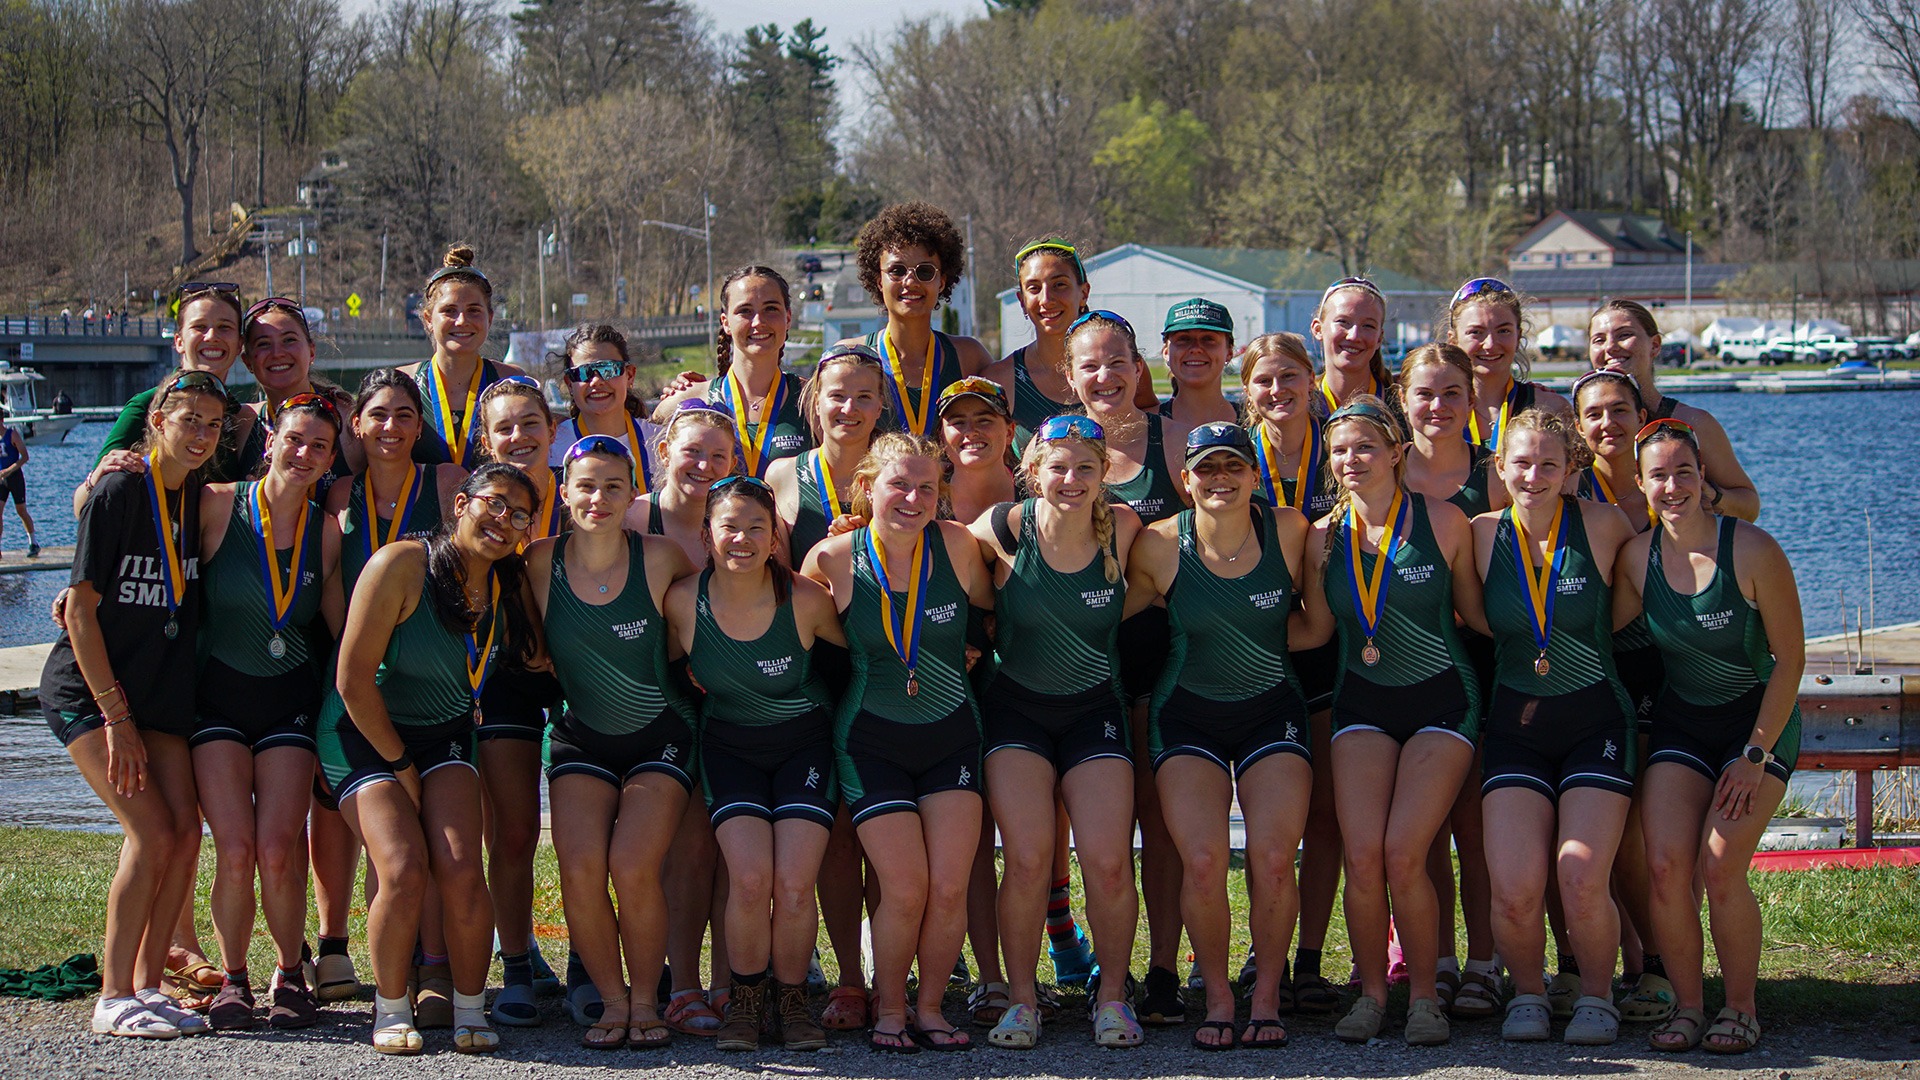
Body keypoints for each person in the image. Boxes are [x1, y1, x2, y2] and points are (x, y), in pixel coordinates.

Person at [318, 463, 540, 1054]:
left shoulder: (506, 584)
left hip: (442, 734)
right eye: (494, 504)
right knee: (402, 865)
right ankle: (391, 1007)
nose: (504, 521)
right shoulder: (401, 564)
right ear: (461, 502)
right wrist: (399, 766)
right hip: (364, 729)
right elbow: (351, 680)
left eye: (519, 515)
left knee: (464, 868)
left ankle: (470, 1005)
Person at [39, 370, 229, 1039]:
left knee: (184, 834)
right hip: (92, 692)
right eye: (189, 421)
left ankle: (150, 986)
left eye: (213, 424)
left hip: (160, 696)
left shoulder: (194, 499)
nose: (201, 435)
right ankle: (113, 995)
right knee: (150, 833)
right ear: (157, 422)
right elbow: (83, 614)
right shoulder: (120, 489)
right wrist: (116, 719)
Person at [1295, 399, 1486, 1045]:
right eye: (1340, 451)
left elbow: (1478, 618)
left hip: (1442, 701)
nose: (1351, 461)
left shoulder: (1445, 522)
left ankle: (1427, 995)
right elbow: (1316, 630)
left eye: (1366, 448)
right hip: (1363, 704)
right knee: (1365, 854)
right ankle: (1373, 993)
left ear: (1398, 452)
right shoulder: (1321, 537)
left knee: (1406, 853)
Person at [801, 433, 996, 1053]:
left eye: (927, 488)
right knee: (906, 886)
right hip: (871, 739)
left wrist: (976, 648)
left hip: (951, 735)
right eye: (898, 485)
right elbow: (799, 637)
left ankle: (932, 1008)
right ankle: (889, 1008)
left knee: (948, 886)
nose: (912, 498)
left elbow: (992, 617)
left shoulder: (959, 544)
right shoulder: (830, 559)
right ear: (867, 489)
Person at [1615, 418, 1803, 1055]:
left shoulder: (1751, 550)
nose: (1673, 486)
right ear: (1640, 485)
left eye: (1685, 472)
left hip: (1757, 727)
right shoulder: (1636, 560)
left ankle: (1742, 1007)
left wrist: (1755, 756)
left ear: (1705, 479)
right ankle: (1690, 1006)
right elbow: (1586, 628)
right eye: (1659, 476)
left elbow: (1791, 662)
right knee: (1666, 868)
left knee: (1720, 868)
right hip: (1683, 725)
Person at [1127, 422, 1313, 1050]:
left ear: (1255, 477)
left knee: (1270, 858)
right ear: (1185, 480)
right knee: (1203, 863)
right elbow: (1096, 610)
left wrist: (1249, 646)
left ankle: (1265, 994)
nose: (1221, 479)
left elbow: (1318, 627)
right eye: (1206, 468)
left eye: (1234, 466)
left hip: (1271, 709)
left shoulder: (1289, 532)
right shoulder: (1157, 546)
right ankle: (1218, 995)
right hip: (1187, 713)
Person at [972, 415, 1144, 1050]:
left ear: (1105, 475)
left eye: (1085, 469)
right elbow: (922, 557)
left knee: (1105, 859)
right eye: (1057, 468)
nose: (1070, 480)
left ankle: (1113, 998)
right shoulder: (1001, 527)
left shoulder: (1124, 530)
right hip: (1016, 711)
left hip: (1093, 709)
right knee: (1025, 859)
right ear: (1032, 472)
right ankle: (1022, 1000)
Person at [1471, 408, 1638, 1046]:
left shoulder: (1601, 524)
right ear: (1500, 467)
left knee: (1579, 874)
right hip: (1516, 724)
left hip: (1595, 715)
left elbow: (1626, 610)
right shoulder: (1481, 534)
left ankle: (1597, 995)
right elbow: (1474, 618)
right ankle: (1531, 994)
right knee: (1514, 887)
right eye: (1521, 462)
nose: (1533, 475)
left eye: (1548, 463)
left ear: (1571, 469)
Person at [526, 435, 698, 1051]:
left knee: (631, 864)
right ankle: (613, 999)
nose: (598, 498)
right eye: (587, 486)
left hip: (662, 736)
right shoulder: (538, 562)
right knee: (577, 868)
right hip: (581, 737)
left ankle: (649, 1000)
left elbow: (712, 615)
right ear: (564, 492)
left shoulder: (661, 557)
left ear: (633, 494)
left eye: (613, 487)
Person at [665, 476, 844, 1052]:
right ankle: (744, 1002)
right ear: (706, 534)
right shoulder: (680, 600)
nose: (741, 538)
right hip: (730, 748)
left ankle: (791, 1005)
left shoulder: (808, 600)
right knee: (747, 880)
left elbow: (851, 674)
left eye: (756, 528)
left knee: (793, 885)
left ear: (774, 539)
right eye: (729, 526)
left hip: (803, 749)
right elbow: (667, 678)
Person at [191, 394, 342, 1032]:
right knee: (235, 846)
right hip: (217, 697)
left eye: (319, 447)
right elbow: (137, 547)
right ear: (271, 441)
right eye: (294, 440)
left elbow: (338, 629)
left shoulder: (329, 533)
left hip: (288, 701)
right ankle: (233, 977)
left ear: (332, 458)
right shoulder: (217, 503)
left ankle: (288, 971)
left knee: (280, 848)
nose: (303, 454)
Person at [318, 368, 467, 1008]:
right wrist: (369, 640)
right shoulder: (336, 496)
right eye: (377, 414)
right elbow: (322, 582)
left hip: (431, 689)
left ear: (419, 425)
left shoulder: (446, 485)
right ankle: (371, 973)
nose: (390, 427)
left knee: (447, 843)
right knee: (393, 846)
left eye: (404, 415)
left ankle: (435, 968)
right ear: (357, 424)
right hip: (355, 686)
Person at [1062, 309, 1187, 1023]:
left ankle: (1164, 969)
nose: (1105, 376)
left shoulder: (1175, 444)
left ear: (1139, 368)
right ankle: (1099, 968)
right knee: (1098, 835)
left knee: (1159, 819)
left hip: (1158, 662)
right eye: (1090, 365)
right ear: (1069, 377)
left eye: (1118, 362)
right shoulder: (1051, 446)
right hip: (1076, 669)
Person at [765, 344, 887, 1031]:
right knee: (838, 834)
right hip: (815, 672)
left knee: (889, 830)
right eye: (836, 395)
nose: (849, 408)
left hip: (888, 667)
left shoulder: (898, 468)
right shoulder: (785, 473)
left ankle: (897, 967)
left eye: (864, 396)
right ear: (814, 400)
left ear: (881, 405)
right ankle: (845, 975)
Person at [1392, 342, 1505, 1021]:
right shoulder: (1382, 467)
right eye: (1424, 395)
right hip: (1401, 664)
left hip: (1481, 661)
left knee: (1473, 822)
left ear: (1472, 400)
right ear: (1402, 400)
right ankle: (1433, 957)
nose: (1437, 407)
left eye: (1452, 395)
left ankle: (1485, 962)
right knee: (1422, 828)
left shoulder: (1496, 476)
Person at [1238, 331, 1344, 1011]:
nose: (1277, 392)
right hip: (1249, 649)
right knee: (1265, 823)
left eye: (1289, 377)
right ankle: (1258, 954)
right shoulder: (1231, 457)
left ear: (1312, 379)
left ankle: (1308, 959)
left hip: (1330, 647)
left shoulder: (1342, 450)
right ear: (1246, 394)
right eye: (1263, 382)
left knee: (1328, 813)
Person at [630, 399, 740, 1033]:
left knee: (731, 846)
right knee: (687, 849)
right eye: (691, 450)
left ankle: (730, 979)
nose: (702, 464)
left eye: (717, 456)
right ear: (664, 451)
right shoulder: (633, 516)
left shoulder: (747, 520)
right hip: (653, 697)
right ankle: (683, 981)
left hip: (728, 699)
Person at [1571, 367, 1673, 1024]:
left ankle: (1660, 964)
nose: (1608, 424)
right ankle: (1622, 963)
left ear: (1641, 415)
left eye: (1620, 411)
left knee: (1653, 830)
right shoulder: (1568, 489)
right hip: (1600, 668)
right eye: (1595, 415)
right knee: (1613, 835)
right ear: (1579, 431)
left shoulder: (1673, 481)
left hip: (1664, 667)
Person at [470, 375, 568, 1027]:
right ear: (485, 440)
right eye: (505, 427)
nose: (519, 437)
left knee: (587, 834)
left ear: (552, 429)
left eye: (530, 423)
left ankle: (592, 960)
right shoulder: (482, 503)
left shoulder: (587, 488)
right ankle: (518, 961)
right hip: (501, 676)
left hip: (579, 677)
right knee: (512, 832)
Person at [76, 284, 257, 516]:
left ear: (239, 344)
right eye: (199, 327)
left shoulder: (239, 416)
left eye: (224, 328)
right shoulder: (146, 406)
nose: (212, 336)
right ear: (179, 341)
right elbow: (82, 506)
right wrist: (94, 481)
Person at [1588, 299, 1758, 521]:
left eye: (1624, 335)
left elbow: (1749, 508)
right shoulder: (1580, 430)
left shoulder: (1694, 423)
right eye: (1599, 340)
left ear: (1655, 345)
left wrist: (1712, 496)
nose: (1610, 347)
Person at [838, 202, 991, 439]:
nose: (910, 282)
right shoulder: (849, 357)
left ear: (941, 281)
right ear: (879, 280)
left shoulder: (969, 357)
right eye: (897, 271)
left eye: (925, 271)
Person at [657, 267, 812, 475]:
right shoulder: (690, 400)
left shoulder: (811, 400)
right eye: (745, 311)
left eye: (771, 309)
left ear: (788, 318)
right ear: (726, 322)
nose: (759, 322)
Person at [403, 245, 525, 468]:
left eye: (473, 310)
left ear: (489, 317)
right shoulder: (403, 384)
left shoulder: (510, 381)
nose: (461, 321)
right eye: (449, 310)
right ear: (428, 319)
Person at [240, 297, 360, 494]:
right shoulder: (244, 423)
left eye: (289, 340)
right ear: (247, 362)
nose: (277, 353)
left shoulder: (349, 423)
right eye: (263, 344)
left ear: (312, 351)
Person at [981, 239, 1090, 446]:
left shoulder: (1117, 371)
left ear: (1083, 293)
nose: (1047, 299)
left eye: (1059, 285)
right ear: (1022, 301)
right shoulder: (999, 381)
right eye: (1034, 288)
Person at [1443, 278, 1570, 450]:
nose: (1490, 344)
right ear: (1453, 340)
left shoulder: (1551, 408)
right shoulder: (1436, 411)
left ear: (1518, 337)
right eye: (1476, 332)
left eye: (1503, 331)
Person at [547, 324, 658, 489]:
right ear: (569, 384)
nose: (596, 381)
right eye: (584, 372)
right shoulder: (551, 447)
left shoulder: (658, 442)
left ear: (629, 375)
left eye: (608, 369)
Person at [1155, 298, 1239, 446]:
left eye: (1208, 339)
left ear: (1229, 352)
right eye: (1183, 339)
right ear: (1166, 352)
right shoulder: (1145, 426)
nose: (1195, 348)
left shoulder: (1255, 424)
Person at [938, 377, 1019, 524]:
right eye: (958, 423)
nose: (971, 431)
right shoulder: (925, 496)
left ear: (1009, 433)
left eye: (984, 420)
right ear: (942, 438)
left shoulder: (1037, 494)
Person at [1312, 277, 1392, 409]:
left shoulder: (1404, 406)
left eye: (1368, 326)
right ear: (1318, 329)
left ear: (1379, 338)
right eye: (1343, 322)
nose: (1354, 336)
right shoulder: (1298, 404)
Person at [0, 405, 36, 557]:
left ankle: (33, 543)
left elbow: (25, 457)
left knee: (21, 511)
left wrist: (9, 470)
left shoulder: (12, 434)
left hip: (15, 477)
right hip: (1, 479)